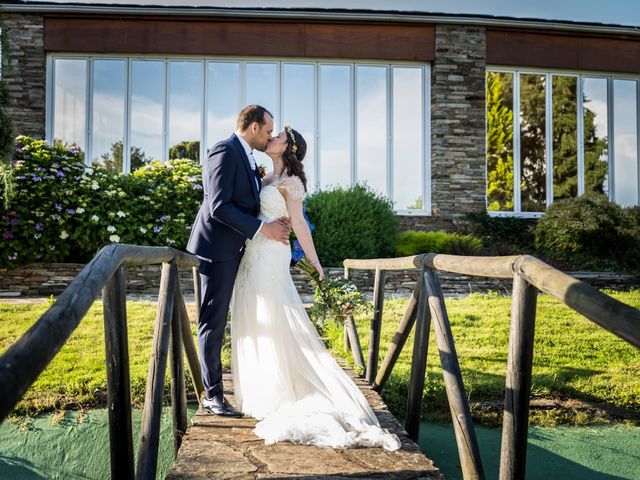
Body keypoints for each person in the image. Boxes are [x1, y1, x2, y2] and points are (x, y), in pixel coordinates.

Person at [230, 125, 401, 451]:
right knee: (253, 317)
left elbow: (299, 226)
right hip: (252, 255)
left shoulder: (292, 184)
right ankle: (263, 391)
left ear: (288, 148)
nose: (272, 137)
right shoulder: (264, 179)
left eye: (278, 135)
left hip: (271, 258)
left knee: (276, 316)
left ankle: (282, 394)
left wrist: (316, 262)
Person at [187, 105, 291, 417]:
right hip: (216, 249)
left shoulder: (246, 157)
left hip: (236, 251)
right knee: (213, 321)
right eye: (268, 130)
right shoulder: (224, 149)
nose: (270, 136)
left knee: (229, 320)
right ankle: (213, 395)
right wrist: (263, 227)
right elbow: (218, 206)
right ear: (254, 126)